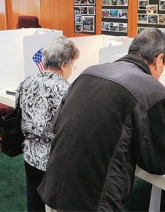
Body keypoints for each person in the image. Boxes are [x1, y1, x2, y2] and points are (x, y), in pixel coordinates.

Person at [38, 28, 165, 211]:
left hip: (53, 188)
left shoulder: (89, 72)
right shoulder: (151, 89)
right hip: (93, 201)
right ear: (159, 59)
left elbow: (57, 124)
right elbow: (156, 162)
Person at [15, 36, 79, 212]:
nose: (72, 71)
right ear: (64, 65)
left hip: (29, 154)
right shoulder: (66, 90)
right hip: (53, 160)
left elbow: (18, 114)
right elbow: (68, 129)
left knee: (34, 202)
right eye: (73, 66)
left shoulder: (26, 82)